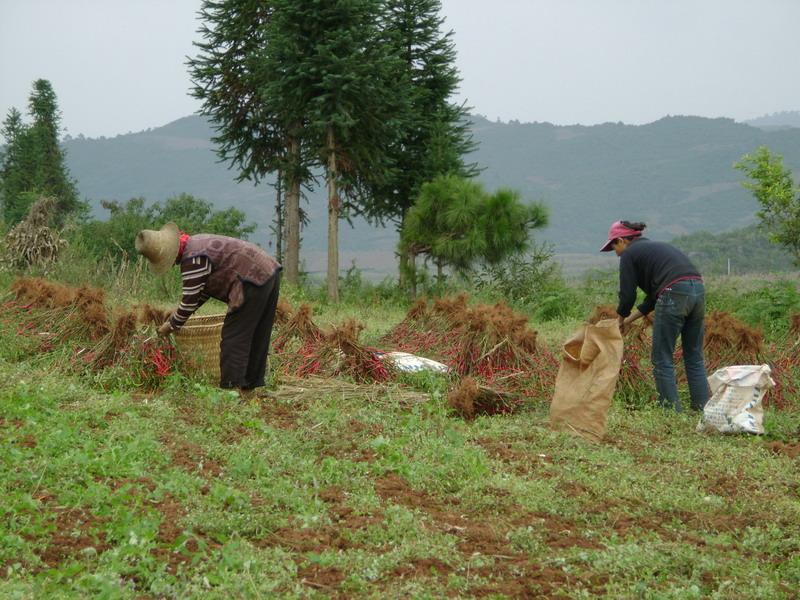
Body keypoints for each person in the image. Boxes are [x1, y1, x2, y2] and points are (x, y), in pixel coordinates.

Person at [135, 222, 281, 397]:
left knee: (234, 337)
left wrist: (171, 325)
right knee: (257, 334)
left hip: (250, 280)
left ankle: (232, 390)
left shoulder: (192, 259)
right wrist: (178, 315)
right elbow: (201, 292)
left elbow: (189, 300)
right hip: (268, 271)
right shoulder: (196, 243)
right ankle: (249, 389)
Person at [601, 220, 708, 412]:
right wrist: (628, 321)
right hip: (697, 290)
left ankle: (671, 411)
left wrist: (619, 319)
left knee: (661, 357)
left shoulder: (629, 254)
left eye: (614, 246)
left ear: (622, 241)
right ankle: (703, 408)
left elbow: (627, 295)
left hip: (673, 292)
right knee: (694, 355)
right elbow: (652, 299)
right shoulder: (654, 249)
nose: (615, 252)